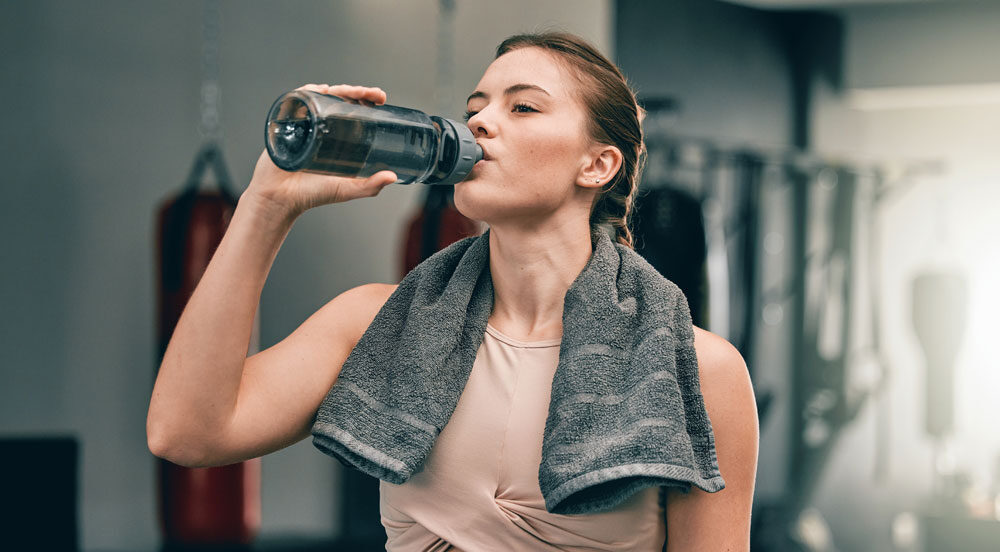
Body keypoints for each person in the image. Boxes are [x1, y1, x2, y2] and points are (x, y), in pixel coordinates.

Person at [147, 31, 758, 551]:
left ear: (598, 165)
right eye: (477, 106)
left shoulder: (700, 371)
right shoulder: (377, 322)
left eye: (523, 108)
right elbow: (185, 433)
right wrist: (265, 206)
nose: (480, 121)